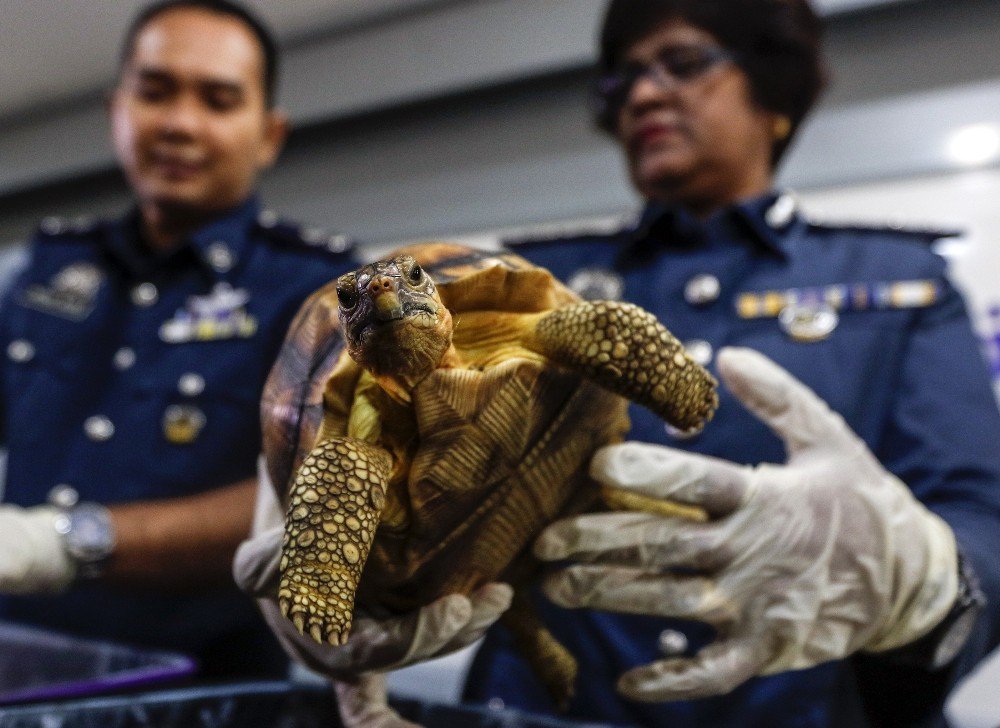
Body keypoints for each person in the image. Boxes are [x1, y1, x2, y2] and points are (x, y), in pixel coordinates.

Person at [458, 1, 1000, 726]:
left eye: (683, 64)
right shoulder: (539, 284)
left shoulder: (898, 280)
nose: (643, 94)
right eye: (624, 79)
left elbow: (980, 515)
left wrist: (921, 585)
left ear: (772, 89)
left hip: (813, 704)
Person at [0, 0, 360, 678]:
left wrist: (62, 543)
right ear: (117, 108)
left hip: (205, 691)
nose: (179, 123)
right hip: (26, 674)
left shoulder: (316, 292)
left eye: (219, 100)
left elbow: (313, 495)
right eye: (154, 91)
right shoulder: (47, 272)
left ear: (268, 135)